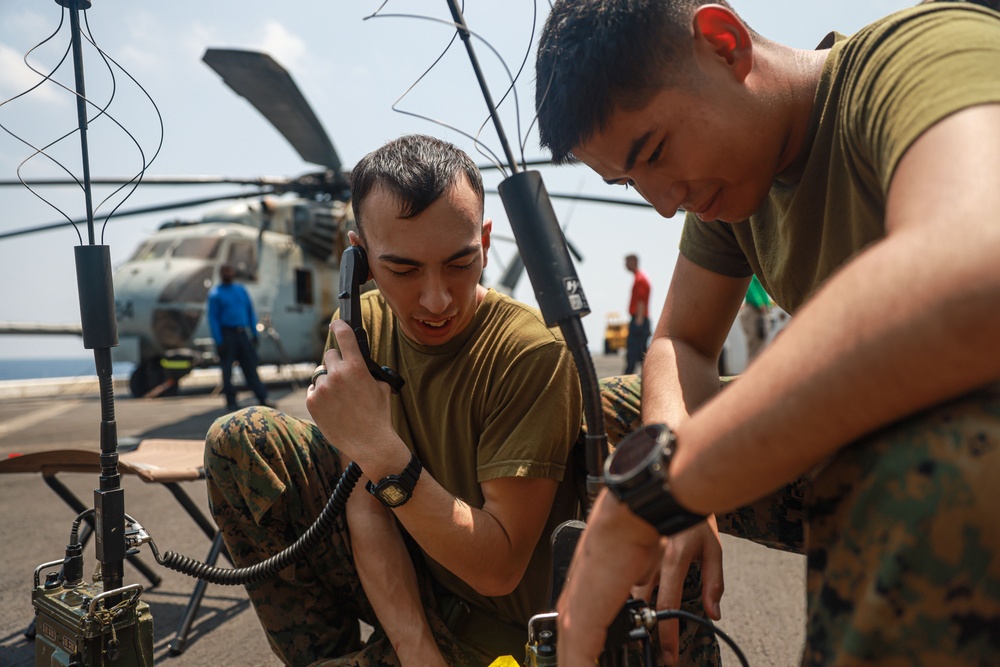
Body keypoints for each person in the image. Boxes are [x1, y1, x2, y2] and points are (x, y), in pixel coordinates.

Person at [534, 1, 1000, 665]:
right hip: (861, 439)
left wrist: (664, 485)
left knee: (916, 463)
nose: (664, 203)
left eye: (656, 152)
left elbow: (974, 263)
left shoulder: (917, 54)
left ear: (724, 44)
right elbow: (679, 343)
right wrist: (671, 469)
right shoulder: (733, 184)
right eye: (630, 182)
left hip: (955, 450)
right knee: (603, 415)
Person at [203, 134, 584, 666]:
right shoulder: (358, 330)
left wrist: (380, 449)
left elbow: (497, 569)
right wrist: (414, 650)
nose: (436, 299)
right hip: (408, 592)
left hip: (496, 634)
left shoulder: (529, 353)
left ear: (487, 243)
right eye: (403, 270)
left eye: (460, 262)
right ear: (357, 262)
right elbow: (367, 511)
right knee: (241, 440)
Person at [207, 263, 273, 411]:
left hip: (242, 333)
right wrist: (219, 341)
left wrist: (254, 333)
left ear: (233, 272)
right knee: (227, 370)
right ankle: (231, 402)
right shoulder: (215, 294)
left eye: (229, 270)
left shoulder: (241, 291)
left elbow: (250, 311)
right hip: (226, 334)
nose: (227, 273)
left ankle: (263, 397)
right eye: (225, 271)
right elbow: (213, 319)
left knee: (250, 367)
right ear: (221, 273)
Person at [623, 253, 652, 374]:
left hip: (639, 319)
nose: (625, 265)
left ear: (633, 262)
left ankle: (627, 377)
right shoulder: (639, 278)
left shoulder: (640, 279)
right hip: (640, 319)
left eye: (627, 262)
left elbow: (641, 300)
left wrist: (638, 320)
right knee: (640, 352)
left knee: (633, 352)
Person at [738, 274, 771, 362]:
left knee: (760, 346)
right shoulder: (751, 272)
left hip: (759, 312)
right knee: (756, 347)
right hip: (755, 311)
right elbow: (750, 287)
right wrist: (760, 303)